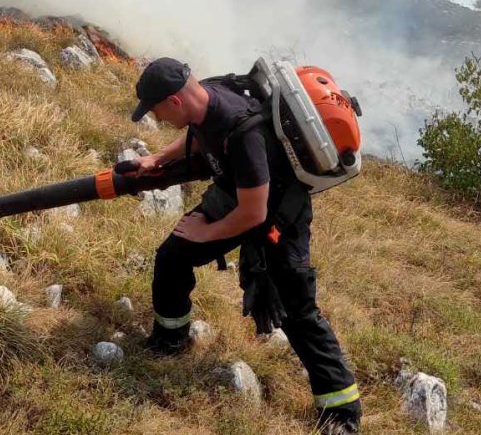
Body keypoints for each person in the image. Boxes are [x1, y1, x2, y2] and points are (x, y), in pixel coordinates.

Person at [129, 57, 362, 434]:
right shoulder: (205, 97)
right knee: (172, 256)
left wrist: (206, 233)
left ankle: (342, 412)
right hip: (237, 194)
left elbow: (254, 213)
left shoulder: (243, 132)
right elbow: (197, 137)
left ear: (174, 101)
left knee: (297, 311)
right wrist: (159, 158)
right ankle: (171, 339)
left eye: (156, 111)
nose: (157, 118)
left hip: (278, 215)